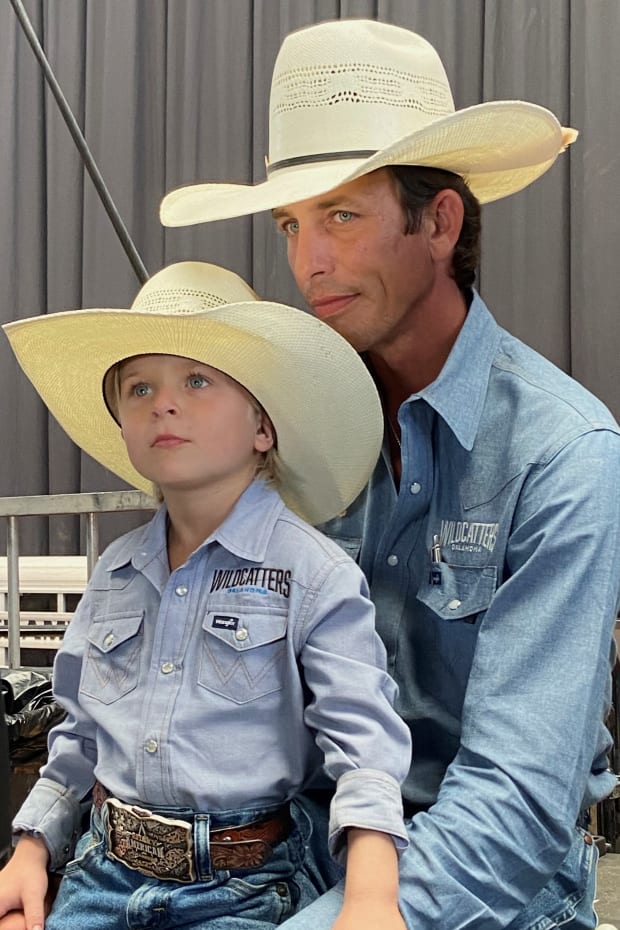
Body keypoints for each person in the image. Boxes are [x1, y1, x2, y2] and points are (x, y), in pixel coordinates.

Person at [159, 18, 620, 930]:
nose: (306, 261)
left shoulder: (564, 452)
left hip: (489, 886)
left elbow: (517, 805)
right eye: (292, 223)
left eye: (340, 216)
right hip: (302, 850)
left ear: (439, 221)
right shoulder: (281, 434)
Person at [0, 260, 412, 930]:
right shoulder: (117, 571)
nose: (163, 402)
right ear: (125, 430)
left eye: (197, 380)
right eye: (138, 387)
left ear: (262, 427)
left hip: (243, 889)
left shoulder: (314, 574)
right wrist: (29, 850)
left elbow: (363, 744)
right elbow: (78, 734)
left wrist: (370, 897)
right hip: (100, 875)